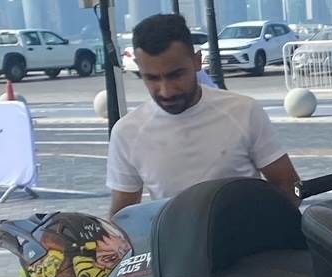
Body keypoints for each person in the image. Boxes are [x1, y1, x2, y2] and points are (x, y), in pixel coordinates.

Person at [106, 12, 302, 216]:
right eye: (152, 78)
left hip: (251, 243)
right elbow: (123, 219)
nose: (166, 90)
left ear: (197, 62)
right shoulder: (127, 132)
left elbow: (289, 188)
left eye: (176, 75)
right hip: (175, 245)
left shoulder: (244, 111)